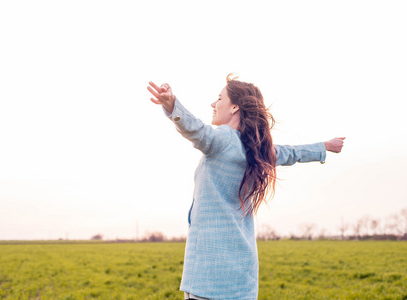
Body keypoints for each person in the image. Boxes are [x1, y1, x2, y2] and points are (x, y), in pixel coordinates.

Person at [147, 75, 345, 300]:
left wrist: (172, 105)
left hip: (207, 277)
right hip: (242, 278)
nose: (213, 104)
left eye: (219, 98)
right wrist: (324, 146)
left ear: (234, 107)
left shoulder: (223, 139)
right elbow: (291, 152)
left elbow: (197, 131)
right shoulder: (257, 150)